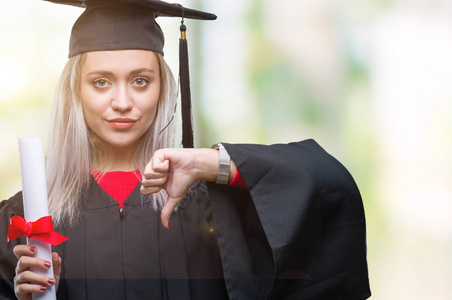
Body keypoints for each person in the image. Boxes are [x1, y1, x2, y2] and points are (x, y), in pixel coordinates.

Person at [0, 0, 371, 299]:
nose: (122, 101)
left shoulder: (213, 204)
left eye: (141, 81)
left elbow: (328, 190)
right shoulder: (28, 221)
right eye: (101, 82)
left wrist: (208, 162)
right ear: (75, 93)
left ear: (164, 88)